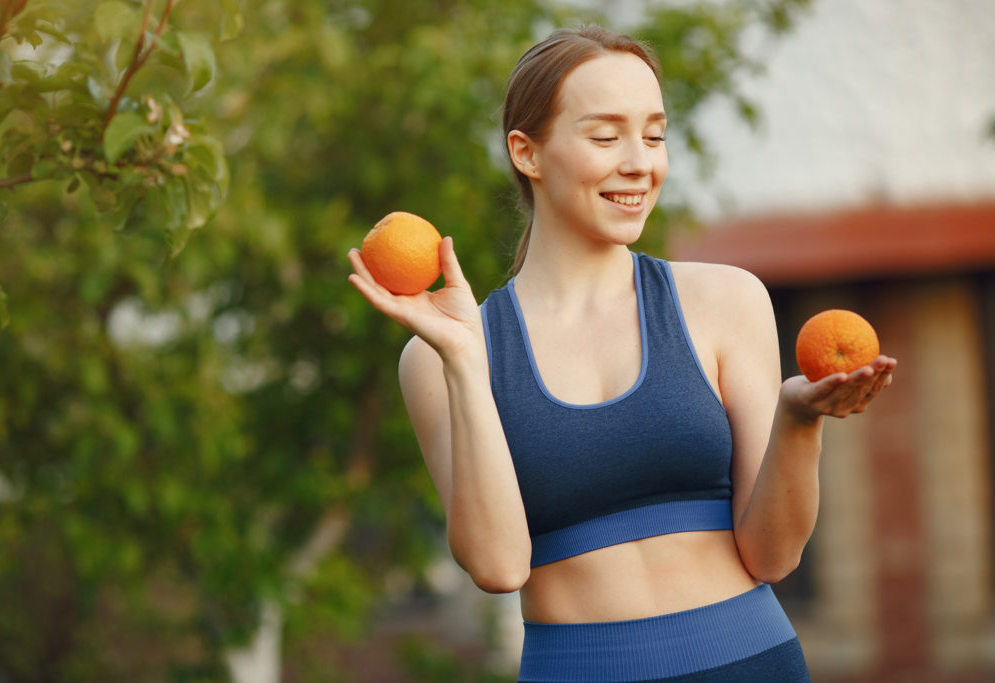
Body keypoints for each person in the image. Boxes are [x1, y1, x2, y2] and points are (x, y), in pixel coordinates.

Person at [348, 24, 896, 683]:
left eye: (655, 134)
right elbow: (498, 566)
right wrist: (466, 363)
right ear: (527, 151)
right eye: (606, 136)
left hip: (751, 663)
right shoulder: (442, 355)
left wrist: (798, 420)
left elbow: (773, 555)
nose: (640, 161)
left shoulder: (726, 300)